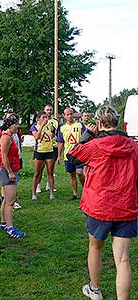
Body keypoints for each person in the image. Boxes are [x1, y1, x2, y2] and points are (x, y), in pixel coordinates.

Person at [67, 105, 138, 300]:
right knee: (123, 259)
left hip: (99, 206)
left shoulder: (94, 145)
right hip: (126, 206)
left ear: (99, 123)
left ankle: (95, 289)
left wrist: (87, 134)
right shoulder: (133, 146)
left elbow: (71, 156)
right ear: (116, 121)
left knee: (95, 248)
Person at [0, 114, 25, 238]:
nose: (17, 126)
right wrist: (10, 172)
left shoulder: (11, 136)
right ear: (10, 125)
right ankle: (10, 229)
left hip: (12, 170)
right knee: (10, 201)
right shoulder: (6, 137)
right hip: (8, 171)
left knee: (6, 200)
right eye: (15, 124)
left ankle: (3, 223)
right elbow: (3, 156)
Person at [57, 107, 86, 200]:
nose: (70, 116)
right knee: (72, 174)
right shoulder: (62, 128)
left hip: (79, 154)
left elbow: (86, 137)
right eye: (67, 114)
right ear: (64, 116)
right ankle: (75, 193)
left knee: (80, 172)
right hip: (68, 155)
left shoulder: (80, 125)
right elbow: (60, 142)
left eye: (71, 114)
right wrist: (58, 156)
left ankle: (86, 190)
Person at [30, 111, 55, 201]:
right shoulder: (34, 126)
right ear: (38, 119)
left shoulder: (50, 125)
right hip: (39, 152)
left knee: (50, 173)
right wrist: (42, 126)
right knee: (37, 173)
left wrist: (52, 136)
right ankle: (34, 193)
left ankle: (52, 193)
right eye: (43, 117)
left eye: (46, 117)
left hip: (49, 151)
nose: (45, 119)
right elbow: (37, 136)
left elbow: (53, 131)